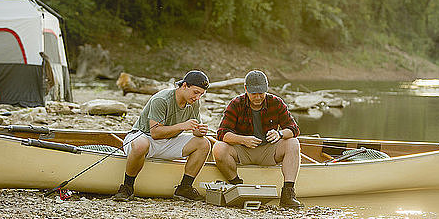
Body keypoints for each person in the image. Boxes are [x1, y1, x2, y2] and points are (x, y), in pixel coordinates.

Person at [113, 70, 211, 202]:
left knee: (204, 144)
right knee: (140, 145)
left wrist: (200, 131)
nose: (197, 97)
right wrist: (183, 126)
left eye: (201, 94)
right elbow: (155, 133)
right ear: (184, 86)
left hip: (168, 142)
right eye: (195, 92)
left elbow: (195, 131)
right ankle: (127, 187)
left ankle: (184, 188)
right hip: (144, 137)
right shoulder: (161, 99)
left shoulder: (194, 103)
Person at [213, 70, 303, 208]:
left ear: (266, 90)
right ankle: (237, 186)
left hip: (269, 151)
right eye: (253, 93)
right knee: (218, 148)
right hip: (243, 150)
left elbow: (294, 129)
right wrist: (242, 140)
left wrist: (279, 134)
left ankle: (287, 194)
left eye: (261, 93)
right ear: (246, 89)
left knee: (293, 143)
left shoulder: (276, 102)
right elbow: (222, 134)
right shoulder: (236, 103)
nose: (257, 97)